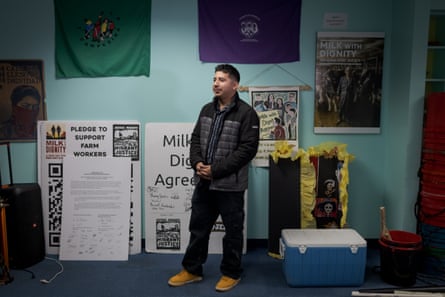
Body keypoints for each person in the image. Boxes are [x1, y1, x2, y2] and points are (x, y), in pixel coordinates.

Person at [168, 64, 260, 292]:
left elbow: (247, 149)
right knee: (198, 228)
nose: (216, 83)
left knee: (233, 231)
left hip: (230, 186)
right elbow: (195, 139)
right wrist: (197, 163)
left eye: (222, 79)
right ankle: (192, 270)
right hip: (204, 183)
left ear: (235, 84)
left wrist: (215, 169)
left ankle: (231, 273)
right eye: (214, 79)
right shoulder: (206, 110)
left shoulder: (247, 113)